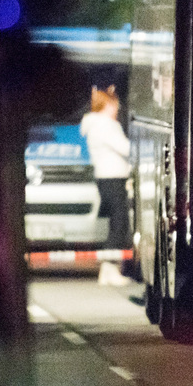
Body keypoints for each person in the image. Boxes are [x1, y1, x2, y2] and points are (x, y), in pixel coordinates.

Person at [80, 85, 131, 286]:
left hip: (105, 177)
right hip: (114, 177)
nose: (117, 109)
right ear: (107, 105)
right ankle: (109, 268)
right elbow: (125, 148)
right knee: (120, 223)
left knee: (115, 222)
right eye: (114, 104)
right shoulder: (106, 125)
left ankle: (109, 270)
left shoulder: (94, 125)